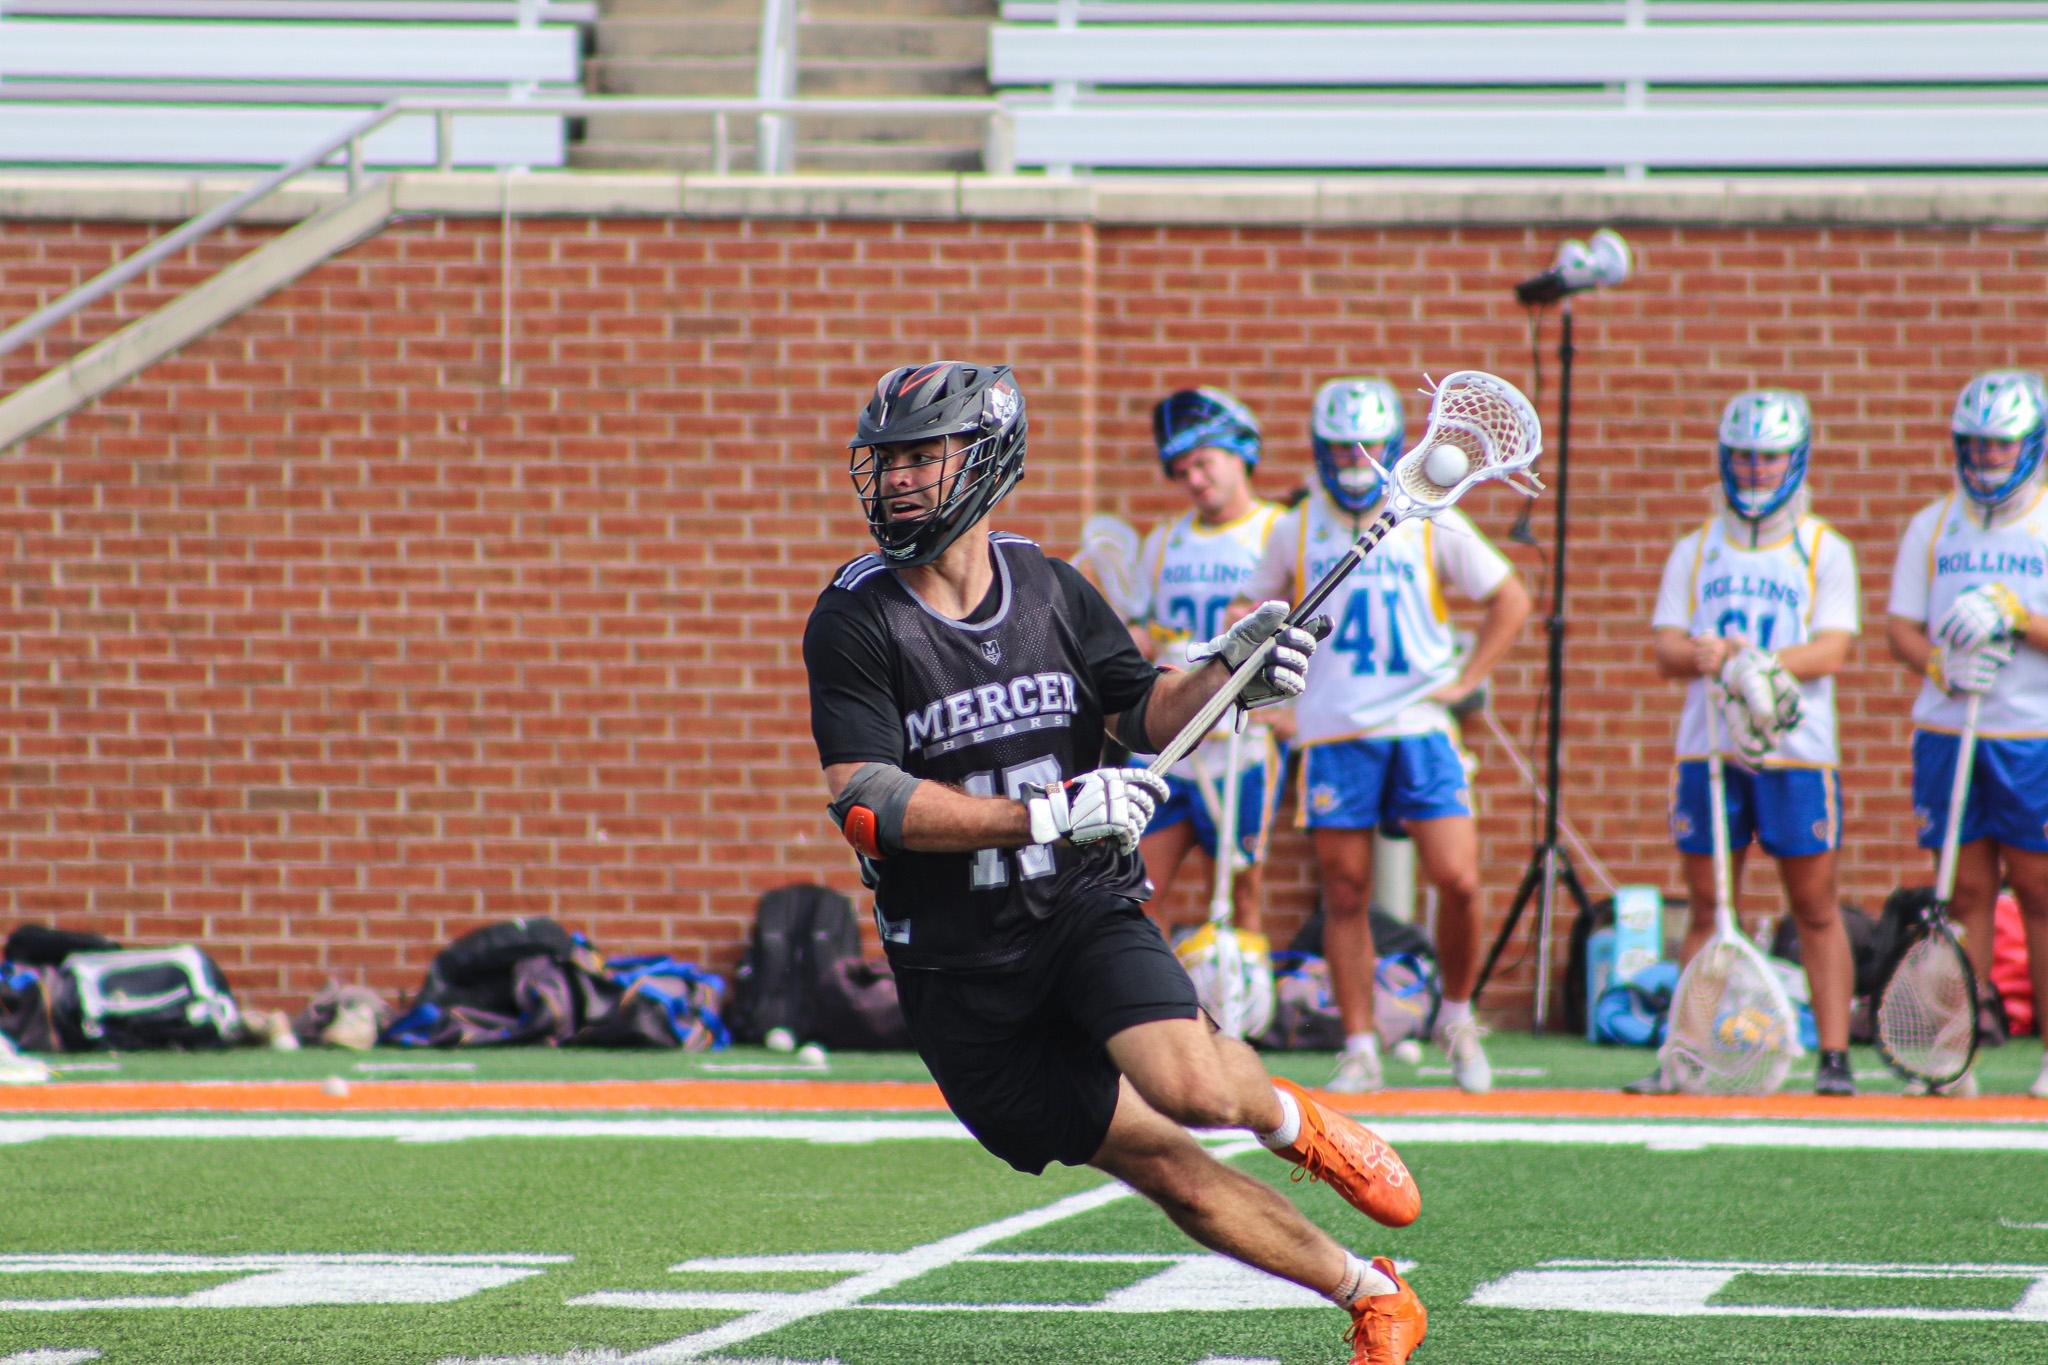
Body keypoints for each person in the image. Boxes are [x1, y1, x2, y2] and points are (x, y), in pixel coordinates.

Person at [802, 361, 1428, 1363]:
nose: (898, 483)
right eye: (886, 463)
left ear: (983, 457)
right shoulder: (854, 618)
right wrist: (1041, 814)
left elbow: (1138, 710)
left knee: (1188, 1086)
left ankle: (1289, 1117)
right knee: (1168, 1167)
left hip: (1077, 908)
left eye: (921, 457)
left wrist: (1230, 670)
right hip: (957, 968)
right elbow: (867, 805)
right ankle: (1373, 1296)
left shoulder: (1049, 586)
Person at [1237, 377, 1531, 1095]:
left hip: (1421, 724)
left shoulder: (1433, 517)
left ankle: (1457, 1016)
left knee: (1458, 879)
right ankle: (1362, 1044)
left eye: (1366, 447)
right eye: (1339, 448)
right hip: (1335, 727)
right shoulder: (1294, 525)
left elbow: (1510, 598)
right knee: (1345, 889)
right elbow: (1251, 604)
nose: (1353, 460)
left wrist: (1465, 680)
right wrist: (1264, 667)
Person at [1634, 390, 1861, 1098]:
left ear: (1794, 460)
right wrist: (1704, 656)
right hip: (1708, 746)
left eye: (1768, 458)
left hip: (1796, 747)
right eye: (1743, 458)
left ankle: (1833, 1056)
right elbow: (1666, 647)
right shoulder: (1696, 547)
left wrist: (1751, 662)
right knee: (1706, 904)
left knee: (1815, 904)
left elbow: (1831, 649)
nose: (1755, 471)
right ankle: (1686, 1053)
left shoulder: (1822, 547)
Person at [1885, 370, 2048, 1101]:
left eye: (2000, 445)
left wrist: (2017, 615)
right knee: (1965, 894)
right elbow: (1900, 628)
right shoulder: (1935, 524)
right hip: (1950, 729)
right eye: (1975, 444)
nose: (1986, 458)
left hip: (2030, 730)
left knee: (2041, 892)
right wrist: (1939, 666)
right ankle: (1955, 1054)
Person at [1127, 389, 1288, 940]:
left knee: (1241, 897)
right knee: (1138, 889)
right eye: (1180, 470)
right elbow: (1146, 629)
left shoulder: (1280, 531)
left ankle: (1244, 1018)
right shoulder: (1164, 542)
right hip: (1170, 742)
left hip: (1241, 743)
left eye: (1203, 461)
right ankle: (1166, 1014)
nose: (1194, 479)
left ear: (1240, 451)